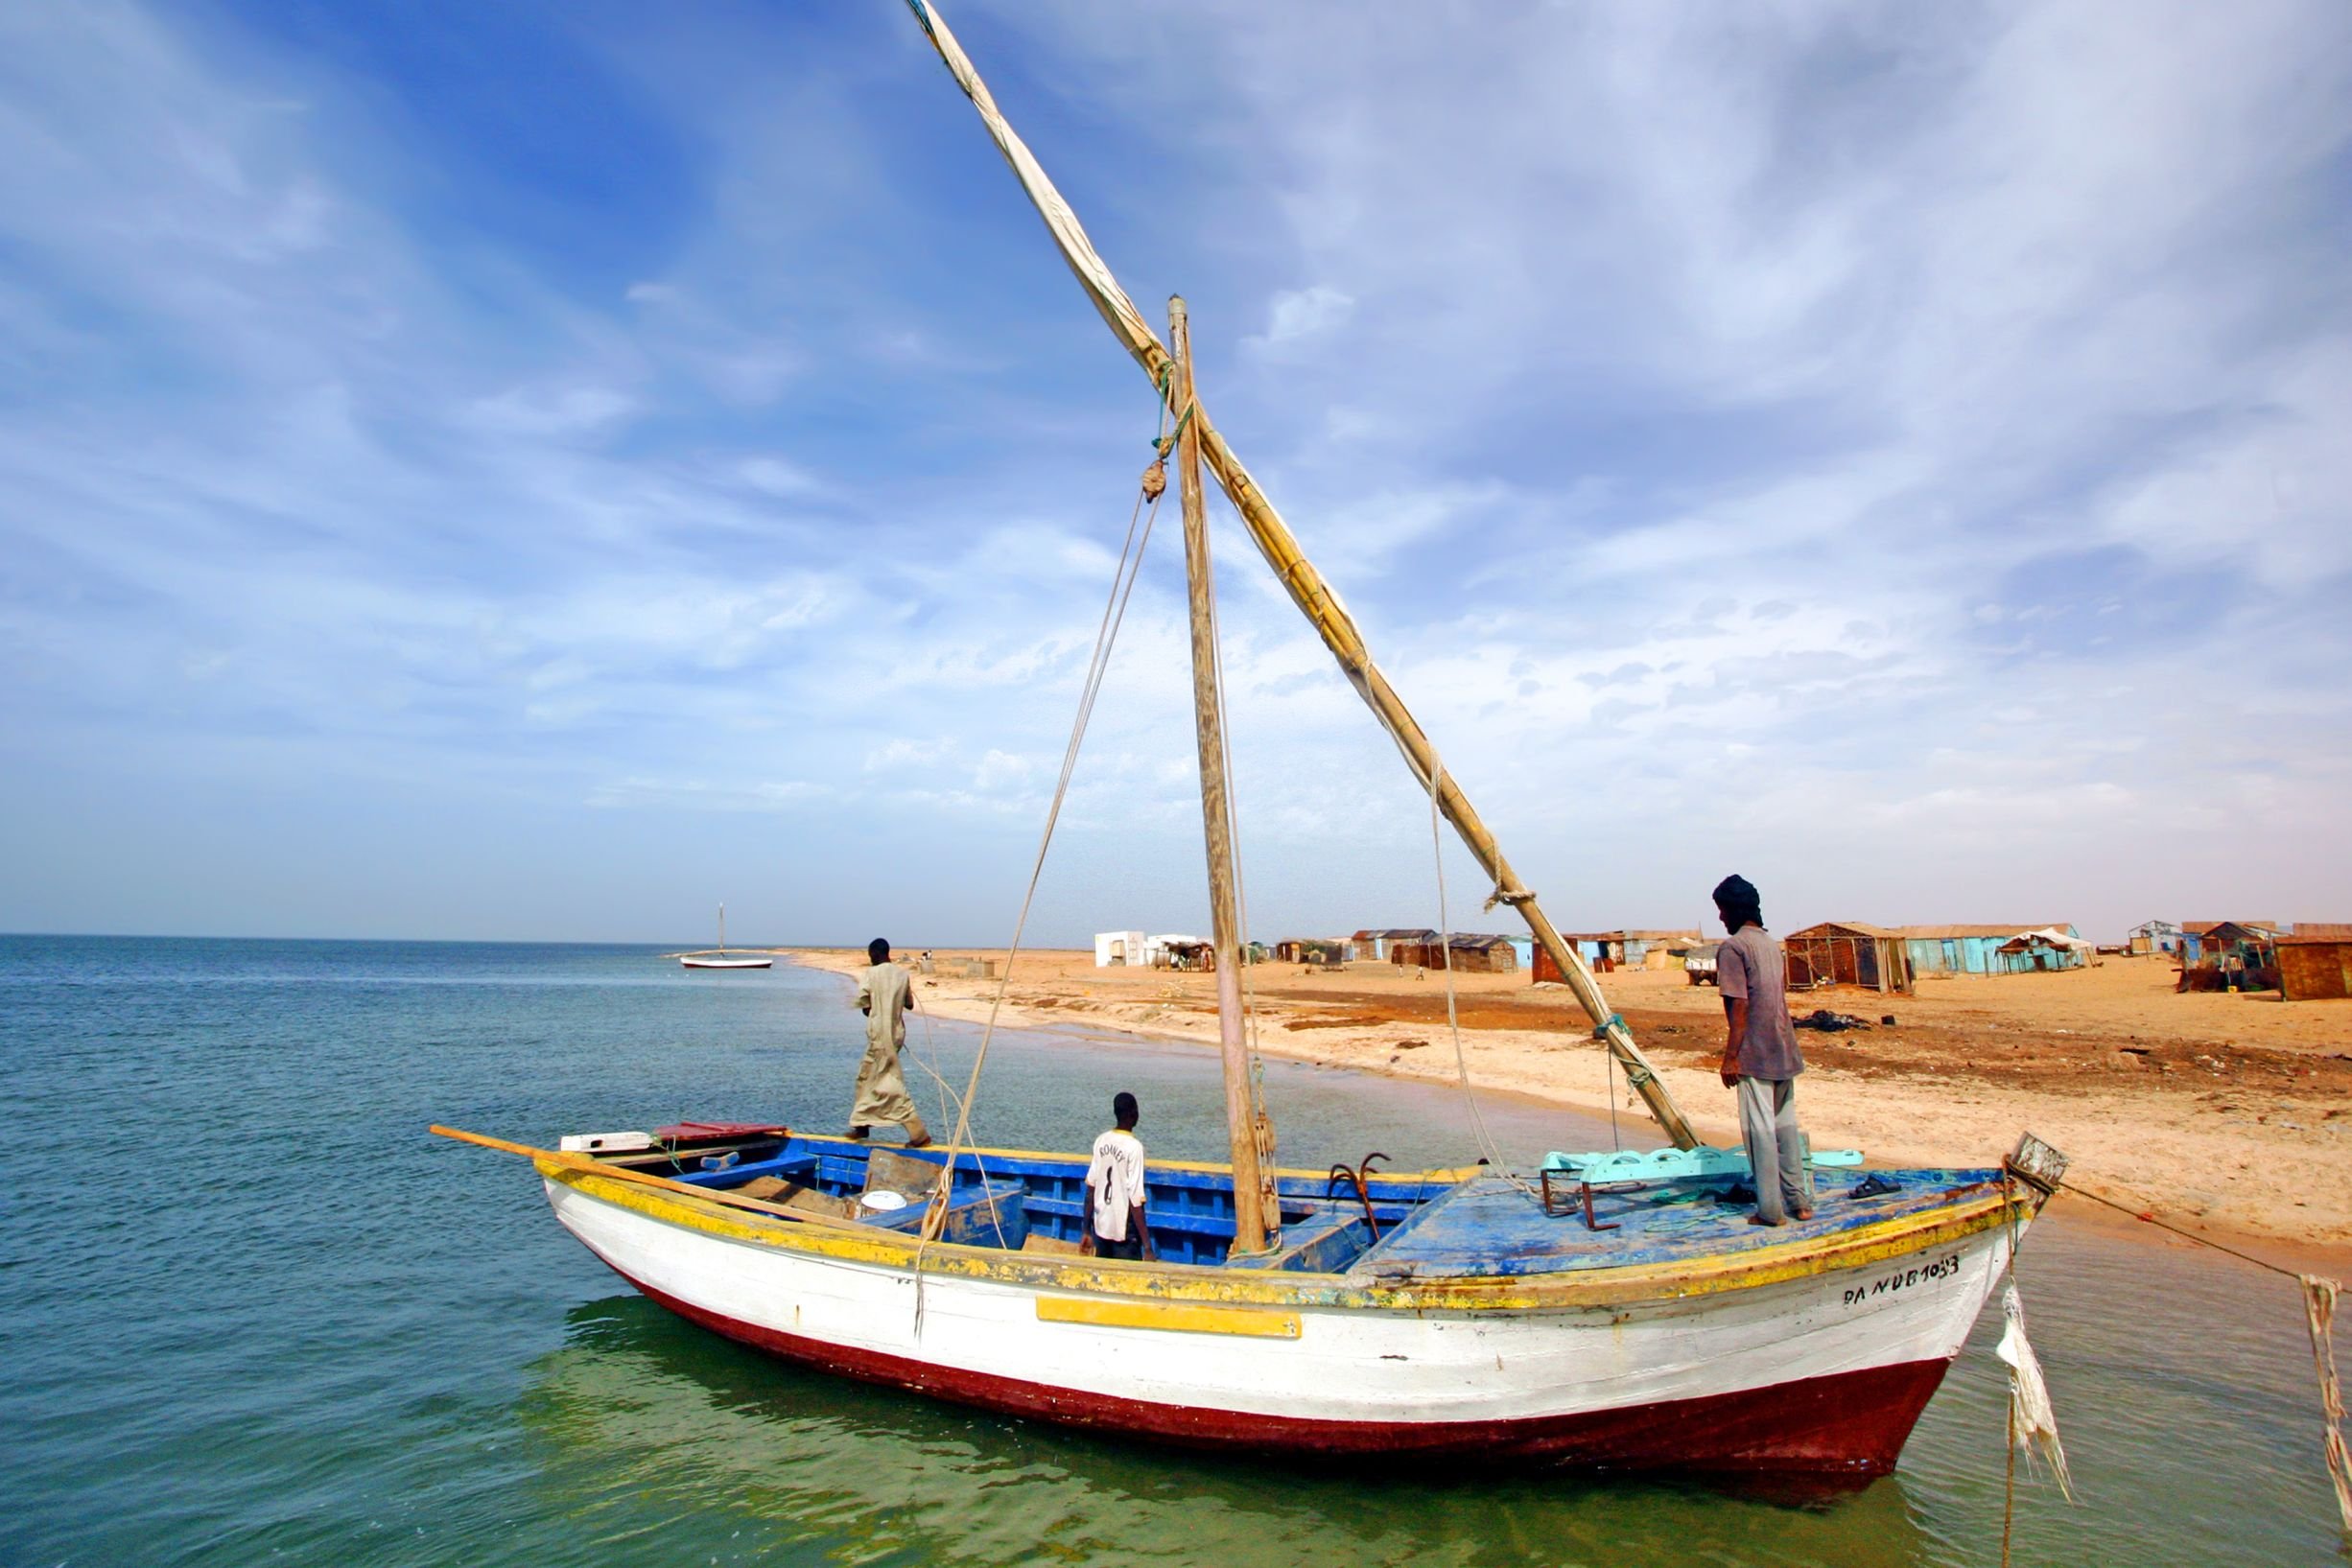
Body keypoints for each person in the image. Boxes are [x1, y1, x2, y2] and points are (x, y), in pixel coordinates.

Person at [1712, 875, 1813, 1226]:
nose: (1721, 918)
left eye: (1722, 910)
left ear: (1734, 910)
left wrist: (1731, 1057)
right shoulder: (1770, 944)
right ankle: (1799, 1203)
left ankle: (1770, 1211)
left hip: (1755, 1053)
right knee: (1786, 1130)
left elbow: (1739, 1005)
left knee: (1761, 1136)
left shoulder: (1733, 948)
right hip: (1784, 1048)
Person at [851, 938, 930, 1147]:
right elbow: (909, 1004)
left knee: (884, 1080)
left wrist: (877, 1005)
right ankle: (861, 1124)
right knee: (870, 1076)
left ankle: (917, 1131)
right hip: (896, 1035)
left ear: (876, 954)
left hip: (880, 1035)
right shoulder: (902, 975)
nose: (870, 959)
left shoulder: (870, 974)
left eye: (871, 956)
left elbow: (865, 1007)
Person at [1078, 1090, 1152, 1260]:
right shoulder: (1134, 1147)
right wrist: (1148, 1247)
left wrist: (1086, 1230)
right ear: (1134, 1114)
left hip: (1101, 1228)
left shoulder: (1101, 1141)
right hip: (1124, 1232)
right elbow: (1135, 1199)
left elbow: (1091, 1189)